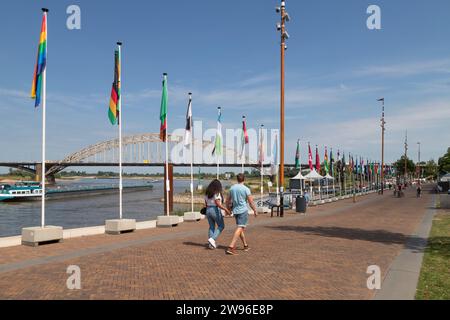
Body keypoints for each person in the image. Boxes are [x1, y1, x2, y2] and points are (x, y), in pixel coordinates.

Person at [225, 173, 258, 255]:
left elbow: (227, 200)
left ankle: (245, 245)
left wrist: (228, 209)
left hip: (235, 211)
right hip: (243, 210)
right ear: (244, 179)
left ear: (237, 179)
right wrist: (255, 210)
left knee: (240, 228)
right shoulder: (246, 189)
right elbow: (251, 202)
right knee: (240, 227)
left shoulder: (232, 188)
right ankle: (231, 247)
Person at [204, 179, 231, 249]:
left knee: (211, 227)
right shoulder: (217, 193)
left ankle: (211, 245)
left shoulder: (207, 193)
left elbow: (206, 204)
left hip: (208, 210)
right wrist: (226, 209)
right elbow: (218, 204)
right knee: (221, 226)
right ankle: (212, 239)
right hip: (214, 209)